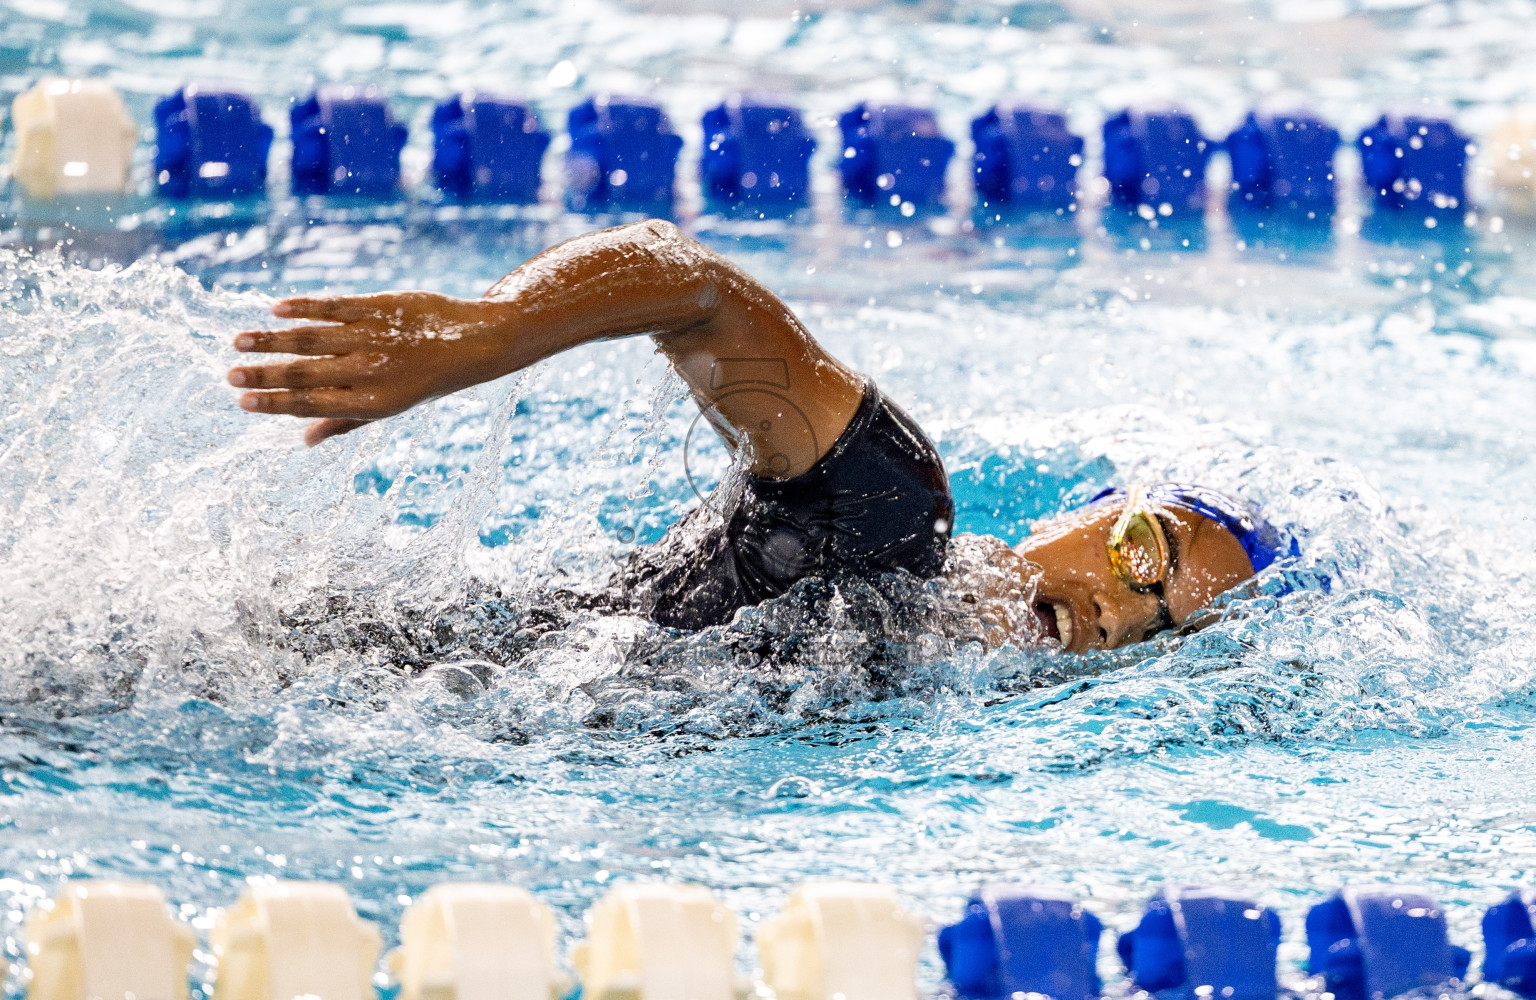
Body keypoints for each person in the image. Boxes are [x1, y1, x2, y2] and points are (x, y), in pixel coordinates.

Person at [229, 219, 1281, 652]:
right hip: (374, 665)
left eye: (1161, 620)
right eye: (1146, 552)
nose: (1112, 607)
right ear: (1089, 513)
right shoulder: (891, 509)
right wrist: (487, 330)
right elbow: (690, 287)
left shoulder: (926, 708)